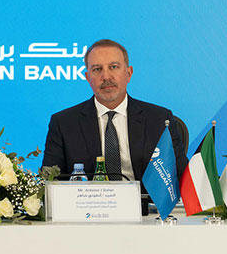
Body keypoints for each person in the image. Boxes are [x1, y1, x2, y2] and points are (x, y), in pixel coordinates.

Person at [42, 39, 188, 183]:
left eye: (113, 67)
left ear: (129, 73)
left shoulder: (159, 120)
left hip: (143, 199)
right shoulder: (64, 123)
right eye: (97, 69)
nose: (106, 77)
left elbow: (182, 177)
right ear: (87, 77)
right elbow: (50, 182)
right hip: (87, 198)